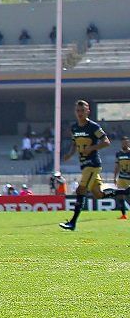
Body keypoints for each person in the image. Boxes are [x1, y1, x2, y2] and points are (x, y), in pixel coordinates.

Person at [60, 99, 111, 231]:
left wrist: (92, 148)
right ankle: (126, 191)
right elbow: (74, 143)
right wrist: (70, 154)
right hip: (84, 164)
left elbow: (106, 142)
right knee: (99, 194)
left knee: (80, 190)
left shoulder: (93, 127)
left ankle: (72, 223)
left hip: (92, 164)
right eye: (78, 110)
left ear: (88, 111)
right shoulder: (74, 128)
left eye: (82, 110)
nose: (80, 113)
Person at [114, 136, 130, 220]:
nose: (125, 144)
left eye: (126, 142)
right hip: (121, 178)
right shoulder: (118, 153)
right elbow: (117, 166)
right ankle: (124, 214)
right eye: (123, 142)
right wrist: (115, 177)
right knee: (120, 196)